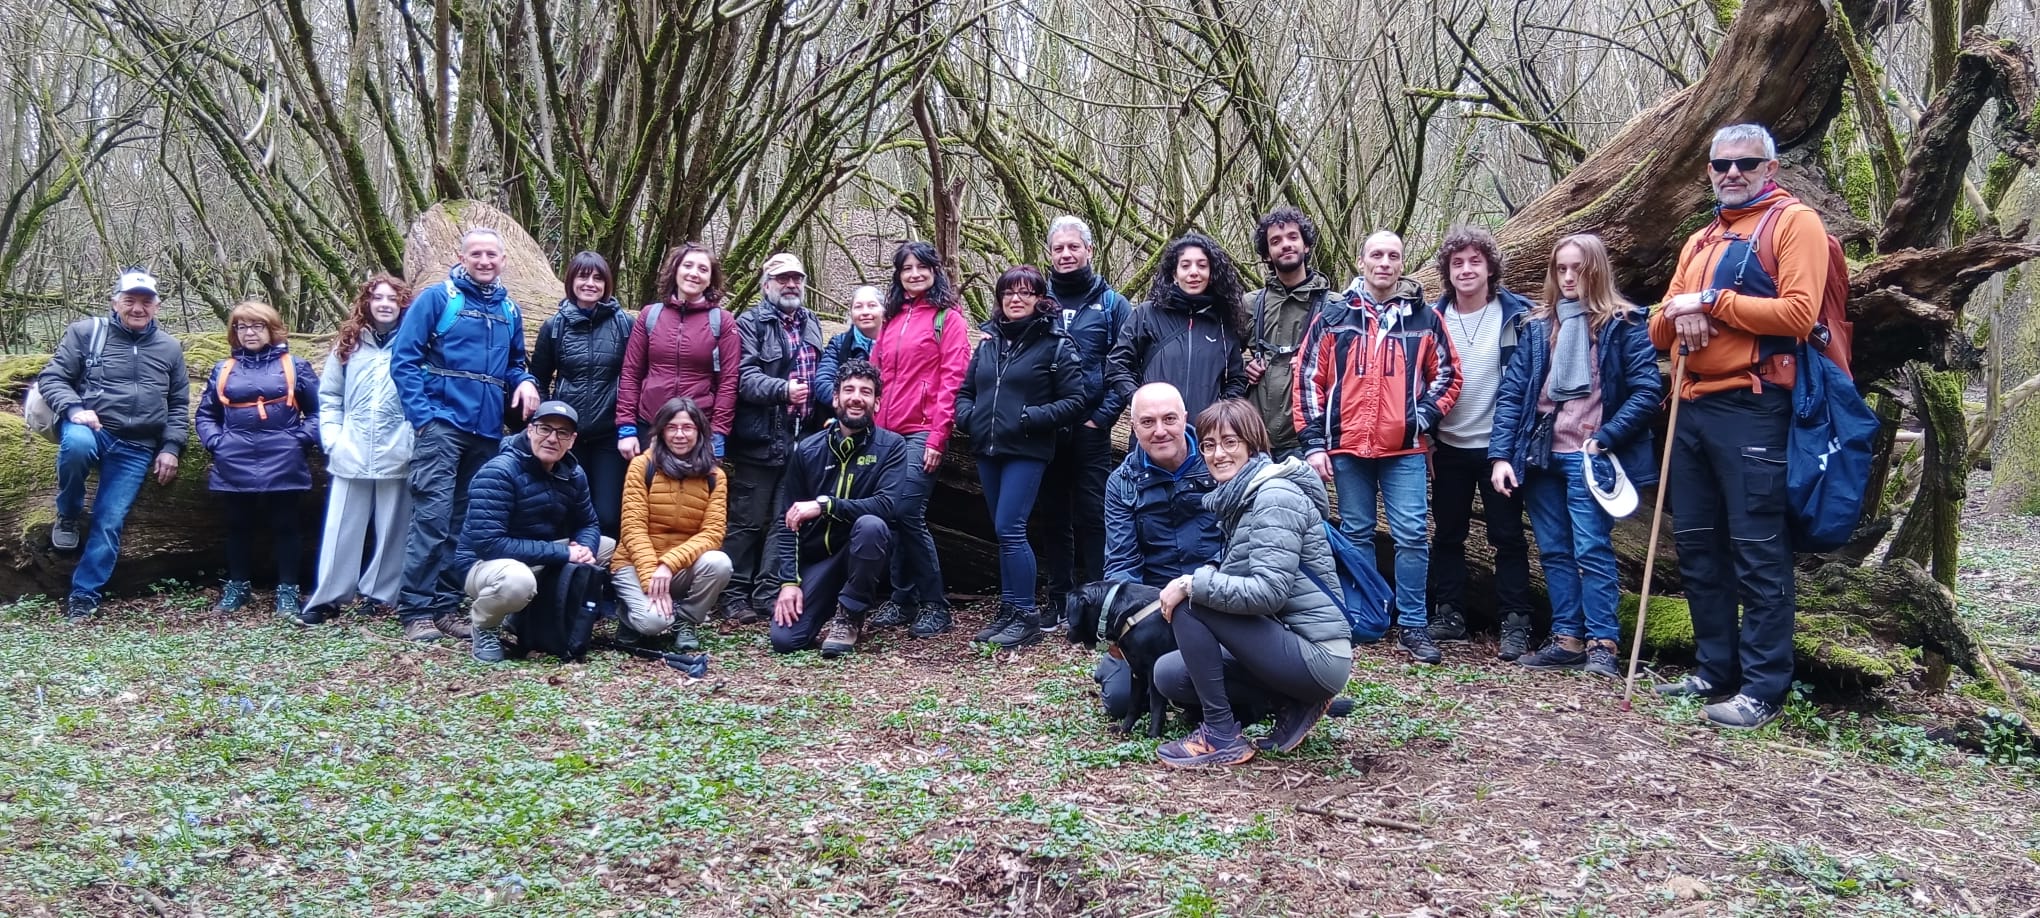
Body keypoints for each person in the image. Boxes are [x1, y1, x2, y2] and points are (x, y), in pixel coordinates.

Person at [1648, 124, 1827, 730]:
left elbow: (1799, 314)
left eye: (1746, 163)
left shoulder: (1794, 222)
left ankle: (1763, 686)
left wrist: (1710, 305)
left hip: (1755, 407)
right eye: (1722, 163)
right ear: (1709, 170)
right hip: (1691, 407)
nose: (1732, 173)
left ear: (1769, 168)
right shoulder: (1701, 238)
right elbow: (1657, 328)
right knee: (1696, 545)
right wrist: (1682, 313)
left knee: (1757, 549)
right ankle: (1713, 668)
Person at [1490, 234, 1662, 678]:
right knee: (1553, 549)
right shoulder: (1537, 326)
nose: (1568, 278)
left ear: (1596, 271)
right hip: (1541, 455)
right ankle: (1567, 638)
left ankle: (1602, 642)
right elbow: (1513, 395)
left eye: (1578, 269)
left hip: (1592, 455)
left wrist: (1607, 437)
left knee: (1591, 548)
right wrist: (1501, 457)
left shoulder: (1623, 323)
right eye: (1561, 269)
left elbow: (1647, 391)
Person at [1150, 399, 1353, 767]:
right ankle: (1291, 703)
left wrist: (1194, 583)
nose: (1217, 454)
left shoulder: (1275, 497)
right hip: (1285, 643)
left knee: (1191, 602)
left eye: (1230, 442)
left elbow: (1268, 592)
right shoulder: (1241, 498)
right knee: (1169, 674)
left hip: (1317, 654)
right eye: (1209, 445)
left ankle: (1220, 735)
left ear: (1252, 444)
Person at [1294, 230, 1460, 665]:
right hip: (1347, 446)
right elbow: (1309, 377)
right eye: (1376, 255)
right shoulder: (1334, 315)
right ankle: (1366, 614)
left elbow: (1447, 375)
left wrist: (1418, 418)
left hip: (1404, 449)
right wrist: (1314, 443)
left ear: (1403, 263)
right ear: (1361, 260)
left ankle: (1413, 623)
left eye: (1393, 255)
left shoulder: (1424, 318)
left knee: (1411, 535)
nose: (1384, 262)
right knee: (1356, 532)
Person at [390, 227, 543, 643]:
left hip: (486, 431)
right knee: (432, 519)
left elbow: (513, 363)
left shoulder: (509, 309)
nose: (485, 261)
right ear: (462, 257)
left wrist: (525, 381)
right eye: (476, 254)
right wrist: (423, 418)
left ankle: (443, 607)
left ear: (503, 259)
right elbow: (404, 359)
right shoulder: (438, 299)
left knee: (463, 522)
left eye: (492, 255)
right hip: (442, 425)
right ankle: (416, 609)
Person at [38, 269, 188, 622]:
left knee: (110, 519)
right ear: (115, 302)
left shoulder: (169, 347)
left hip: (137, 444)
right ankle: (68, 514)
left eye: (146, 301)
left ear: (157, 305)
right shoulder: (86, 333)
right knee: (74, 446)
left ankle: (84, 595)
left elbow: (179, 403)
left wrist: (170, 447)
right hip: (92, 428)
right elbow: (52, 377)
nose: (138, 308)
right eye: (130, 300)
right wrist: (75, 409)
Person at [955, 266, 1086, 648]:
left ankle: (1026, 614)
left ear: (1039, 299)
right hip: (988, 447)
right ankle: (1010, 609)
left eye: (1025, 293)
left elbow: (1075, 401)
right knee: (1002, 530)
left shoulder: (1055, 343)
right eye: (1008, 293)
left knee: (1011, 528)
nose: (1016, 299)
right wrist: (970, 418)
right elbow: (965, 391)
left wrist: (1030, 418)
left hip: (1028, 449)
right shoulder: (989, 342)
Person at [1426, 227, 1537, 655]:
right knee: (1447, 533)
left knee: (1507, 535)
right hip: (1447, 446)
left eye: (1475, 261)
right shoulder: (1431, 318)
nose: (1467, 269)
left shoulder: (1518, 316)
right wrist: (1427, 439)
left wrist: (1509, 448)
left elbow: (1527, 384)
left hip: (1498, 449)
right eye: (1458, 263)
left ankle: (1516, 620)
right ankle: (1449, 613)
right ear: (1447, 272)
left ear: (1490, 267)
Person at [767, 359, 908, 658]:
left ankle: (850, 615)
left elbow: (886, 505)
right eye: (849, 390)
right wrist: (789, 581)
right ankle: (822, 601)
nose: (857, 397)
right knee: (786, 640)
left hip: (864, 552)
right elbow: (787, 520)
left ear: (877, 403)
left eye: (866, 392)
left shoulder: (891, 446)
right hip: (819, 559)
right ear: (835, 398)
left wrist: (825, 505)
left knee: (872, 525)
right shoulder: (808, 449)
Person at [1033, 216, 1133, 630]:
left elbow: (1126, 364)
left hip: (1091, 427)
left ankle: (1097, 600)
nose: (1066, 254)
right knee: (1052, 514)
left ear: (1089, 251)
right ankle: (1058, 600)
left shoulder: (1112, 304)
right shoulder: (1038, 299)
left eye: (1073, 247)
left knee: (1093, 514)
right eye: (1058, 249)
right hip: (1046, 429)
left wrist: (1102, 418)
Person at [866, 241, 971, 637]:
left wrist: (937, 437)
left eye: (921, 267)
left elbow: (952, 382)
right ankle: (902, 599)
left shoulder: (948, 319)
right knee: (890, 516)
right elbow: (876, 376)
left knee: (908, 511)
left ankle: (935, 605)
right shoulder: (891, 319)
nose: (913, 274)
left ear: (934, 271)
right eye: (906, 268)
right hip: (885, 433)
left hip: (922, 430)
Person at [456, 401, 611, 664]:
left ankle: (528, 616)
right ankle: (485, 625)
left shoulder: (573, 473)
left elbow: (589, 523)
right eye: (545, 429)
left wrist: (583, 549)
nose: (552, 438)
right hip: (483, 563)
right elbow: (489, 544)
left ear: (572, 440)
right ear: (529, 430)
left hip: (536, 556)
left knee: (605, 545)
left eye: (563, 433)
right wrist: (563, 553)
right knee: (517, 581)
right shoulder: (498, 472)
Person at [194, 301, 322, 618]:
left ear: (271, 329)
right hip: (233, 456)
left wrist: (300, 439)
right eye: (242, 327)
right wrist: (216, 442)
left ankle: (288, 591)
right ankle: (238, 586)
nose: (249, 333)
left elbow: (321, 411)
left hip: (284, 455)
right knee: (237, 526)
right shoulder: (223, 369)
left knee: (286, 525)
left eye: (256, 326)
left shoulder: (296, 366)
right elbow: (206, 414)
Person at [305, 275, 415, 624]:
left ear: (403, 304)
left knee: (393, 527)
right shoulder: (348, 343)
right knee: (340, 528)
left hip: (397, 448)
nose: (384, 304)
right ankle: (329, 597)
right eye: (377, 297)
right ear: (366, 303)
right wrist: (333, 439)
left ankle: (379, 594)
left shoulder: (414, 343)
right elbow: (329, 397)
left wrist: (411, 439)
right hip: (350, 448)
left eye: (392, 299)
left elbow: (421, 397)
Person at [724, 253, 825, 625]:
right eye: (782, 279)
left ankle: (768, 592)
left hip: (803, 439)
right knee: (747, 519)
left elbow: (821, 374)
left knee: (786, 520)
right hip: (761, 437)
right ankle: (733, 593)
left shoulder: (811, 322)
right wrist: (782, 389)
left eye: (796, 278)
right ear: (766, 283)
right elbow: (742, 377)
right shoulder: (749, 323)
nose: (791, 285)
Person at [612, 397, 731, 652]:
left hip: (677, 567)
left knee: (719, 563)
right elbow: (632, 529)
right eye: (672, 427)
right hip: (634, 562)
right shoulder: (642, 466)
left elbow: (712, 533)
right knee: (654, 622)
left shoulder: (714, 475)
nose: (679, 434)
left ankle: (686, 621)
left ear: (699, 432)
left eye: (687, 428)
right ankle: (628, 616)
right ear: (661, 430)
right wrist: (650, 578)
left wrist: (668, 564)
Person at [533, 251, 633, 536]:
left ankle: (601, 578)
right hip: (565, 436)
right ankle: (564, 578)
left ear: (607, 284)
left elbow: (634, 376)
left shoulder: (624, 325)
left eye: (598, 278)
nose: (590, 283)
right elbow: (539, 378)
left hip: (609, 435)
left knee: (608, 516)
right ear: (571, 281)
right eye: (583, 276)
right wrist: (546, 425)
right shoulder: (555, 327)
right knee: (563, 513)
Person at [1105, 232, 1249, 424]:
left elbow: (1236, 379)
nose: (1194, 272)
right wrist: (1139, 401)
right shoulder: (1147, 314)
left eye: (1202, 265)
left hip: (1207, 437)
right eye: (1185, 265)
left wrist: (1219, 414)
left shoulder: (1224, 321)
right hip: (1154, 433)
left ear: (1212, 273)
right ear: (1174, 273)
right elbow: (1117, 364)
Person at [616, 243, 737, 463]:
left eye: (703, 269)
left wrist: (718, 433)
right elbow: (631, 373)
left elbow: (728, 382)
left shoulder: (723, 322)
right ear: (675, 271)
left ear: (711, 279)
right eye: (687, 265)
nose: (694, 273)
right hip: (649, 425)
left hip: (696, 430)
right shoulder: (650, 315)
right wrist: (626, 427)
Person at [1103, 383, 1224, 588]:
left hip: (1221, 585)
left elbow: (1246, 543)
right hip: (1156, 599)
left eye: (1169, 419)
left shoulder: (1220, 462)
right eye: (1148, 422)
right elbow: (1122, 563)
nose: (1160, 431)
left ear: (1184, 418)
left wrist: (1199, 584)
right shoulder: (1122, 482)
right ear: (1134, 427)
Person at [1245, 207, 1331, 460]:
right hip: (1253, 438)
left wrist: (1319, 368)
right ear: (1267, 255)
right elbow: (1219, 356)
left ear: (1306, 246)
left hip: (1309, 441)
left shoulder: (1334, 307)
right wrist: (1243, 367)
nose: (1285, 245)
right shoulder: (1250, 305)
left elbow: (1351, 371)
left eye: (1293, 237)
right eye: (1275, 241)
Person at [814, 285, 884, 411]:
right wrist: (850, 402)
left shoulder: (898, 343)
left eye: (872, 305)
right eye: (858, 307)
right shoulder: (838, 344)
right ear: (851, 313)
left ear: (884, 310)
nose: (865, 312)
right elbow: (822, 382)